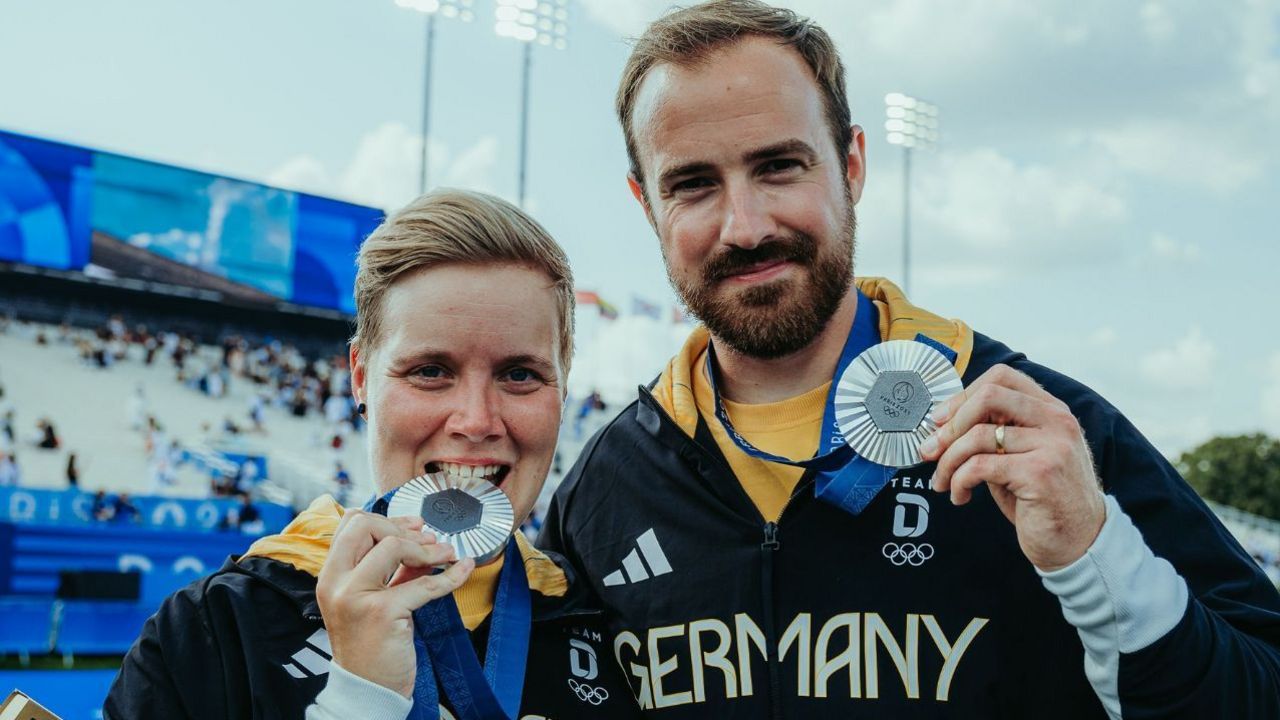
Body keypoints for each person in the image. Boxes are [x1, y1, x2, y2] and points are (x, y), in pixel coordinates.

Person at [537, 2, 1280, 718]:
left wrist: (1098, 556)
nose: (745, 225)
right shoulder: (605, 487)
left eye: (780, 167)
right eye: (693, 184)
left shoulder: (1042, 432)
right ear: (645, 205)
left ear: (851, 165)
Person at [106, 190, 638, 719]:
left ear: (564, 389)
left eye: (520, 375)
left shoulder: (615, 623)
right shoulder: (214, 629)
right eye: (430, 371)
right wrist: (358, 702)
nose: (476, 421)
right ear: (360, 378)